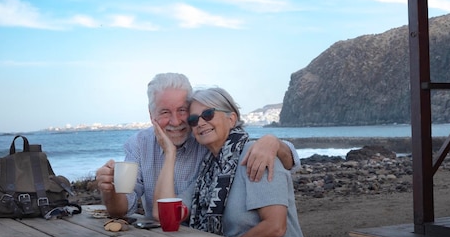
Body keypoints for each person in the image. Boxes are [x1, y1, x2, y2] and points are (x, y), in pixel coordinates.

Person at [96, 73, 299, 219]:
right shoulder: (140, 145)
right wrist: (110, 191)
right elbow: (122, 210)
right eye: (165, 112)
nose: (176, 121)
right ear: (151, 116)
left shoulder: (206, 138)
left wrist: (273, 141)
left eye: (182, 110)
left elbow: (281, 159)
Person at [153, 86, 307, 237]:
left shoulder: (256, 154)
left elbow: (275, 228)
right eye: (194, 119)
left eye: (208, 114)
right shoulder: (207, 171)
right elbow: (164, 215)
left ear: (231, 119)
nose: (201, 123)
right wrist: (169, 153)